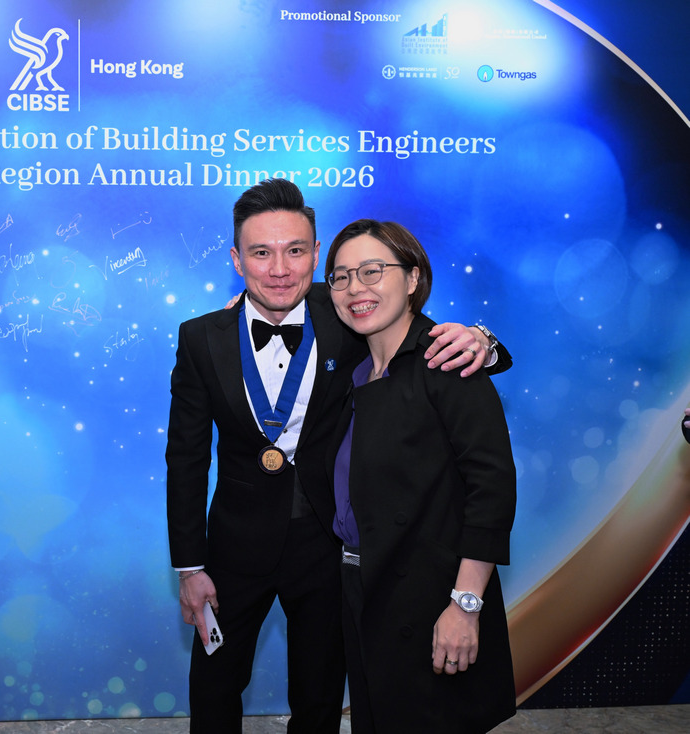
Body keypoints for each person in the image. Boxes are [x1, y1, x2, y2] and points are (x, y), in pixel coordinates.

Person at [165, 179, 506, 733]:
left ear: (315, 255)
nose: (279, 270)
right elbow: (185, 458)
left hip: (327, 548)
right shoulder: (202, 338)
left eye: (295, 251)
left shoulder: (348, 310)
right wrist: (190, 566)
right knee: (213, 688)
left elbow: (422, 335)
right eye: (261, 253)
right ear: (237, 259)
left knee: (320, 695)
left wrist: (483, 342)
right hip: (232, 547)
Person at [323, 219, 516, 733]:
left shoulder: (447, 359)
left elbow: (492, 490)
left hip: (432, 597)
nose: (355, 287)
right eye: (341, 276)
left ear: (413, 278)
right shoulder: (354, 367)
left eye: (372, 271)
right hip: (363, 586)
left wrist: (465, 606)